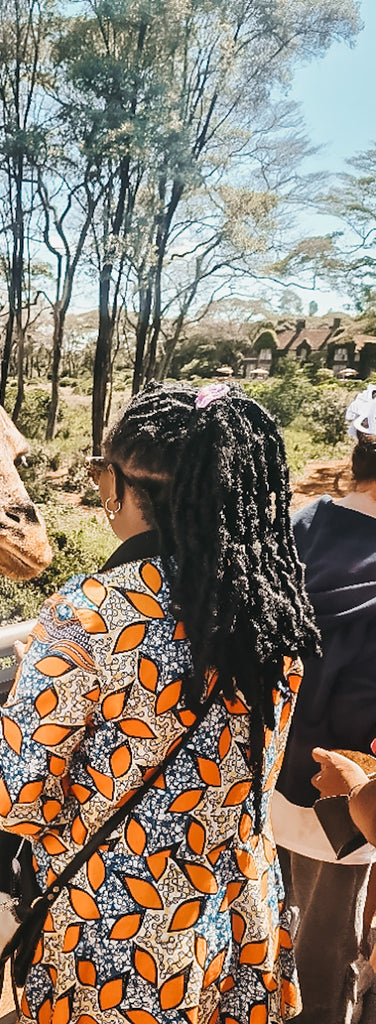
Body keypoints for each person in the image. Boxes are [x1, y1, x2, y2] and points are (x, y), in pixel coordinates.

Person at [0, 380, 319, 1024]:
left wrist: (5, 717)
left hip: (117, 939)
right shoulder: (272, 608)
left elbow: (16, 799)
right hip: (233, 913)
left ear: (123, 490)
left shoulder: (90, 615)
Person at [272, 383, 376, 1024]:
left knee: (283, 927)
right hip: (355, 792)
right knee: (332, 944)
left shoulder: (297, 528)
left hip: (277, 775)